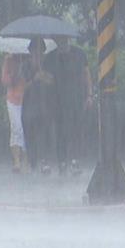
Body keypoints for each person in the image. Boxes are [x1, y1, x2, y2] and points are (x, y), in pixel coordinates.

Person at [43, 35, 93, 176]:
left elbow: (86, 75)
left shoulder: (79, 54)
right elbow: (47, 79)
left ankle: (75, 160)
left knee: (76, 131)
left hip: (76, 99)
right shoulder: (50, 58)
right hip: (57, 101)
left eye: (64, 40)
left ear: (68, 40)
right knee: (60, 132)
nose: (62, 43)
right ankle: (62, 162)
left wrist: (89, 95)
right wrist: (44, 76)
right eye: (59, 40)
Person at [21, 38, 55, 174]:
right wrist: (35, 78)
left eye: (40, 52)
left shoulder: (48, 64)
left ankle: (44, 161)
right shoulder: (25, 66)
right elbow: (22, 86)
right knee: (30, 135)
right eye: (35, 52)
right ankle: (32, 161)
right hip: (28, 105)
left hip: (44, 104)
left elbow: (52, 81)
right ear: (30, 52)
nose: (38, 54)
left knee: (44, 134)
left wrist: (44, 76)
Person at [1, 52, 32, 174]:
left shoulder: (29, 60)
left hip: (27, 99)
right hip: (13, 100)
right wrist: (15, 73)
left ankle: (26, 159)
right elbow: (5, 81)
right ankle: (17, 160)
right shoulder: (9, 60)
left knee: (26, 128)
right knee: (16, 128)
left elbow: (30, 81)